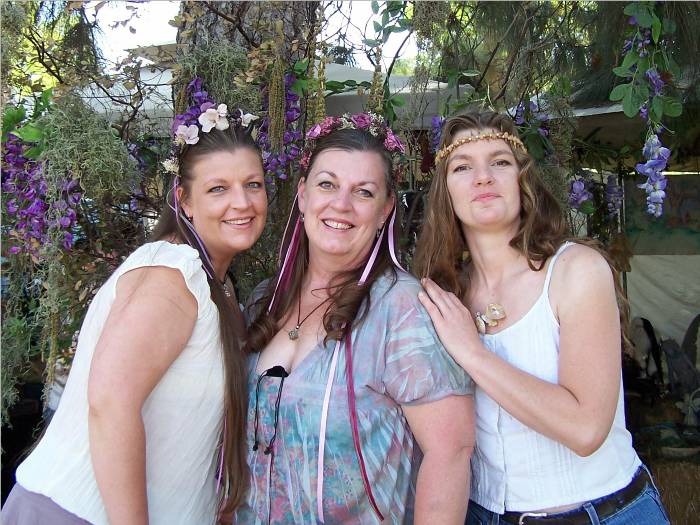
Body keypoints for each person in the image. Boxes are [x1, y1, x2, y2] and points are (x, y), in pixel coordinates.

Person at [2, 100, 267, 524]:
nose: (242, 202)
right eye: (218, 188)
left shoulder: (216, 286)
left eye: (253, 184)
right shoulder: (171, 273)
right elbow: (110, 402)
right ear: (184, 200)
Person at [414, 111, 671, 525]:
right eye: (463, 167)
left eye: (499, 162)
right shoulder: (444, 294)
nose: (483, 177)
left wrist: (473, 353)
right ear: (445, 192)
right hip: (486, 514)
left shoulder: (575, 271)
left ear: (523, 180)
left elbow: (586, 430)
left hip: (602, 513)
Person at [233, 113, 475, 524]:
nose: (341, 204)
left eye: (363, 192)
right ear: (303, 194)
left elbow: (450, 452)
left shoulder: (402, 310)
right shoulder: (264, 301)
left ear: (385, 211)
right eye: (327, 184)